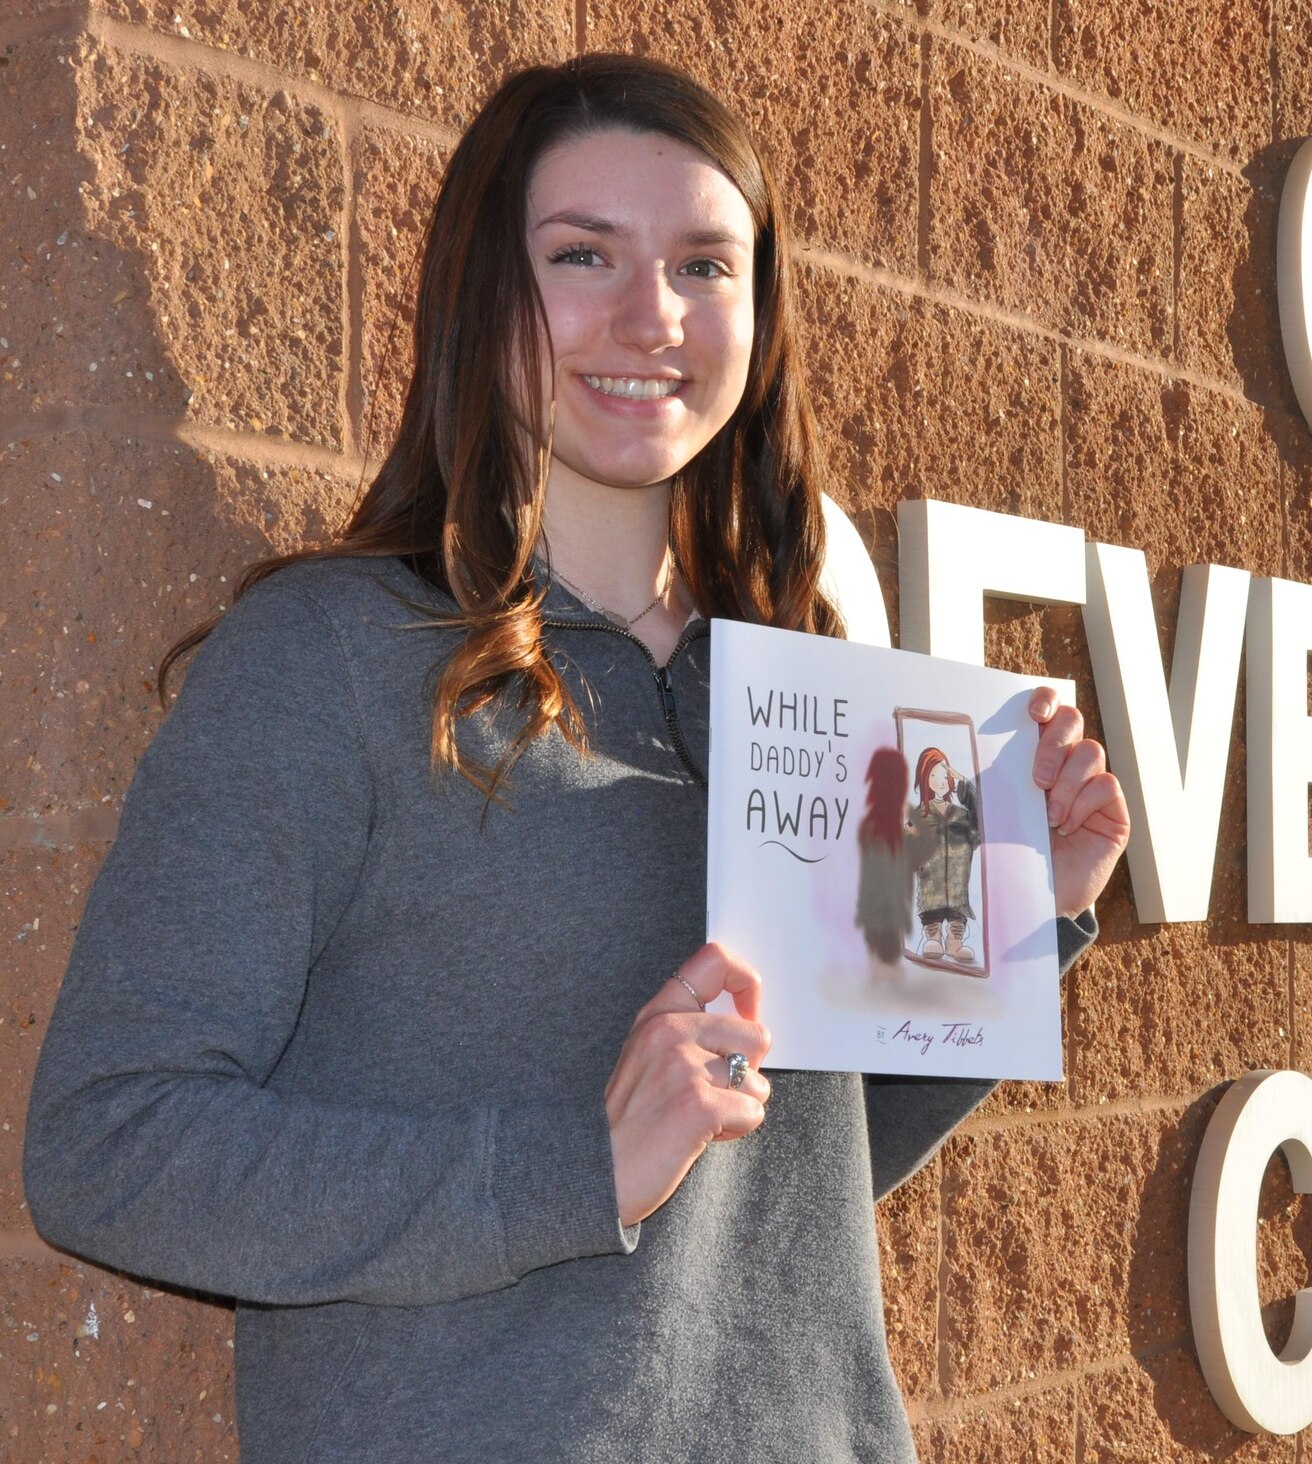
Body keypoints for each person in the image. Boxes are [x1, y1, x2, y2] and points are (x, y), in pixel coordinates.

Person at [22, 55, 1130, 1462]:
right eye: (583, 254)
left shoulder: (805, 686)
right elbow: (111, 1150)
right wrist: (578, 1170)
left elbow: (793, 1185)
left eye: (705, 264)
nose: (651, 313)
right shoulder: (331, 660)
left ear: (760, 310)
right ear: (484, 293)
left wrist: (1036, 917)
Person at [906, 746, 982, 964]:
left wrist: (966, 788)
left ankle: (954, 942)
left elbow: (980, 831)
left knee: (958, 911)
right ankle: (933, 936)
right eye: (932, 774)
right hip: (931, 882)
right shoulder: (919, 817)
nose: (940, 780)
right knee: (932, 907)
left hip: (959, 883)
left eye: (943, 773)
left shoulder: (962, 815)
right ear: (924, 779)